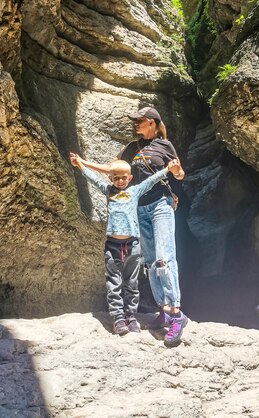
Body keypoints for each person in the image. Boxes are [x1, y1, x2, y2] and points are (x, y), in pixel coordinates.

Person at [77, 106, 188, 346]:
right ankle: (163, 310)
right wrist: (82, 163)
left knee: (164, 258)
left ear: (152, 123)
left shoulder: (164, 146)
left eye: (140, 120)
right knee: (150, 262)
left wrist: (176, 170)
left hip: (160, 204)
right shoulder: (131, 148)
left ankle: (176, 314)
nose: (135, 123)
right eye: (135, 120)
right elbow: (112, 169)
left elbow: (179, 175)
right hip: (139, 208)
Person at [70, 151, 181, 336]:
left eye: (123, 178)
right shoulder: (108, 191)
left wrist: (167, 170)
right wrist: (80, 165)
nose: (120, 181)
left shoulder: (134, 191)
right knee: (114, 282)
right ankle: (118, 318)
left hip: (133, 245)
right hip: (113, 245)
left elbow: (151, 181)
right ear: (111, 177)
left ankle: (131, 316)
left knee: (131, 283)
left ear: (129, 178)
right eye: (116, 178)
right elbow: (91, 179)